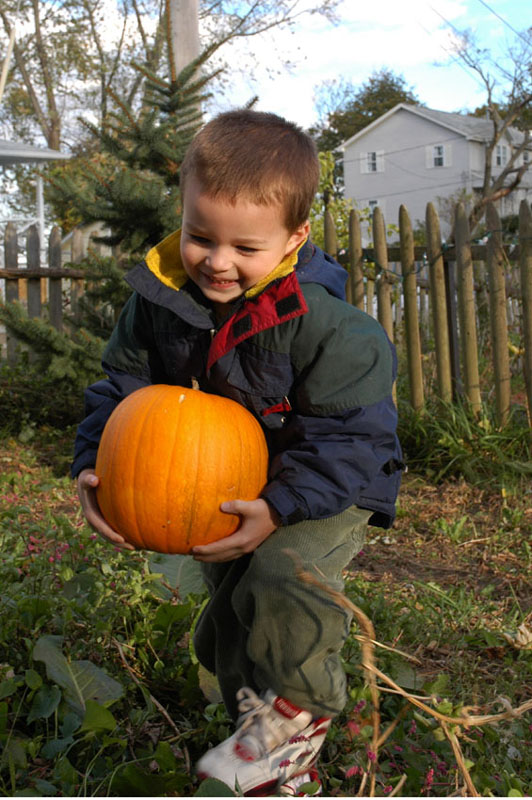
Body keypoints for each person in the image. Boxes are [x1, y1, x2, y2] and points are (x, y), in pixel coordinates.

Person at [73, 109, 403, 797]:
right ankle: (259, 747)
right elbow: (121, 389)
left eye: (244, 248)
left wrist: (280, 507)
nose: (217, 261)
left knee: (283, 576)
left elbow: (352, 439)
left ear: (294, 238)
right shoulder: (159, 302)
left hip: (325, 480)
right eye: (200, 237)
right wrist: (90, 467)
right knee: (228, 614)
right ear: (184, 215)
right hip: (233, 478)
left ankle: (297, 718)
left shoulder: (332, 328)